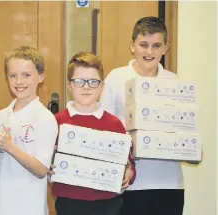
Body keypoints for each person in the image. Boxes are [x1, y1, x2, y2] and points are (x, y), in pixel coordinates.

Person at [99, 16, 202, 215]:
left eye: (156, 46)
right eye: (143, 45)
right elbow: (105, 130)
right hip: (130, 184)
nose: (149, 52)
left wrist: (194, 150)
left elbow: (185, 131)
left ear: (165, 48)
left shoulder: (175, 84)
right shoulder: (116, 78)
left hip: (169, 184)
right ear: (132, 46)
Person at [50, 52, 136, 215]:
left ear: (102, 87)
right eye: (79, 81)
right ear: (69, 85)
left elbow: (129, 163)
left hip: (107, 204)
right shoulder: (56, 122)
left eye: (93, 82)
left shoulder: (114, 123)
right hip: (69, 203)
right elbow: (45, 162)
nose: (86, 87)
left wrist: (129, 173)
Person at [0, 46, 58, 215]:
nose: (19, 81)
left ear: (40, 76)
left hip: (27, 206)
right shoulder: (0, 116)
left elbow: (41, 170)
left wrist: (9, 146)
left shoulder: (45, 118)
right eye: (13, 75)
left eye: (26, 75)